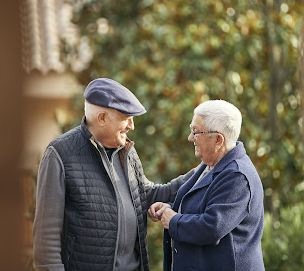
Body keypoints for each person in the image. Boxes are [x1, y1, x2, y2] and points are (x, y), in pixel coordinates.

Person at [33, 78, 196, 271]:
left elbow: (145, 195)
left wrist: (200, 172)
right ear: (102, 118)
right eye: (126, 118)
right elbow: (46, 238)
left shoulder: (126, 151)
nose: (131, 126)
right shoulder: (60, 154)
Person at [148, 100, 265, 271]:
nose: (190, 138)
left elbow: (212, 226)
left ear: (218, 139)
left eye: (196, 132)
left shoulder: (238, 177)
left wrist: (173, 220)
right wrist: (171, 208)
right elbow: (203, 208)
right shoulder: (209, 164)